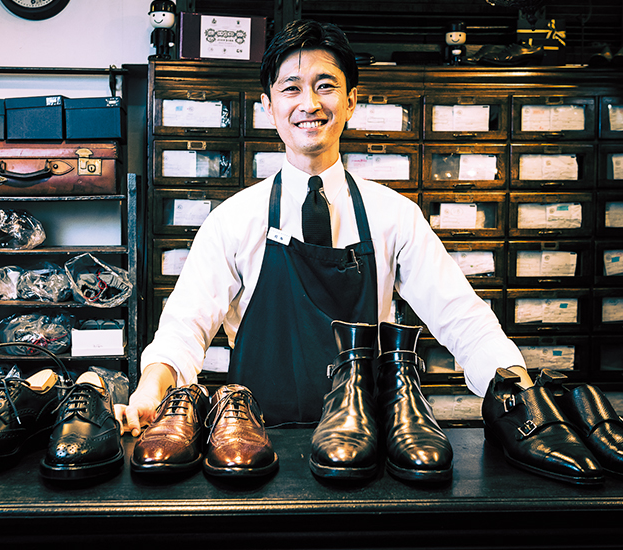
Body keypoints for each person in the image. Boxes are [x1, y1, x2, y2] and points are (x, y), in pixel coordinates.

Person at [119, 19, 526, 434]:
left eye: (325, 86)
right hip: (254, 445)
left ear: (351, 101)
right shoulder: (233, 219)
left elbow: (461, 316)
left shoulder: (394, 214)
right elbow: (184, 325)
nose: (309, 103)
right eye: (291, 88)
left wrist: (520, 390)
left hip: (366, 443)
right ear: (268, 105)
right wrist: (151, 390)